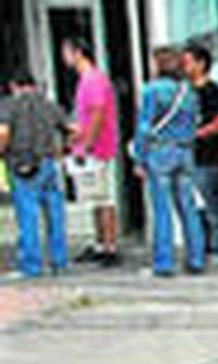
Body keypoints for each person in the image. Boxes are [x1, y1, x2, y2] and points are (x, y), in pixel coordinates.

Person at [133, 46, 206, 279]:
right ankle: (196, 258)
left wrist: (140, 158)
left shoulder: (151, 90)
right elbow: (195, 122)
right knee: (188, 207)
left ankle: (163, 263)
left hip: (160, 151)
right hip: (185, 151)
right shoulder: (188, 92)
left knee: (162, 209)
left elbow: (144, 127)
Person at [0, 74, 74, 280]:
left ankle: (31, 266)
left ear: (14, 85)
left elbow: (3, 133)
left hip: (21, 165)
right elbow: (73, 128)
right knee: (55, 214)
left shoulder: (9, 105)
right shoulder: (49, 104)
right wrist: (65, 148)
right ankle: (59, 261)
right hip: (48, 163)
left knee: (28, 216)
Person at [62, 38, 122, 267]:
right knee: (95, 198)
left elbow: (97, 114)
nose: (64, 57)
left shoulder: (93, 80)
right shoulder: (85, 80)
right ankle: (100, 244)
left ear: (78, 53)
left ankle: (109, 246)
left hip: (98, 148)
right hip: (90, 146)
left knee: (104, 198)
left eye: (67, 52)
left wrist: (86, 144)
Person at [184, 45, 218, 263]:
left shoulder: (212, 90)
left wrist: (197, 134)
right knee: (195, 205)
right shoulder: (184, 90)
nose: (185, 66)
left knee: (212, 203)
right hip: (188, 156)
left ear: (201, 64)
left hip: (208, 155)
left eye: (188, 61)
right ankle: (201, 245)